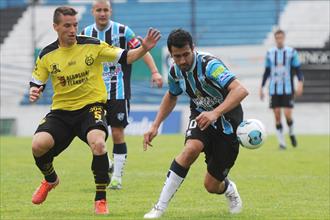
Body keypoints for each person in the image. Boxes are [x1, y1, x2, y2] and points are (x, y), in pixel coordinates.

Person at [29, 6, 160, 215]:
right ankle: (51, 180)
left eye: (75, 25)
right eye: (67, 26)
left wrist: (144, 48)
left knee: (99, 144)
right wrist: (34, 91)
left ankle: (100, 199)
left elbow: (127, 56)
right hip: (61, 112)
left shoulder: (93, 45)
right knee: (38, 145)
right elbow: (37, 82)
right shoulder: (47, 54)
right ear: (55, 27)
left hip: (91, 107)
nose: (73, 30)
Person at [142, 29, 249, 219]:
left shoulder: (210, 65)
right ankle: (159, 207)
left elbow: (240, 90)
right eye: (177, 56)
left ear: (193, 48)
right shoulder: (175, 71)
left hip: (227, 124)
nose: (182, 60)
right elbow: (171, 95)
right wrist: (155, 125)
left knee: (211, 186)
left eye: (186, 54)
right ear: (171, 55)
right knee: (190, 149)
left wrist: (215, 113)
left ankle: (229, 188)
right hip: (200, 117)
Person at [81, 0, 163, 190]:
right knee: (91, 134)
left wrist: (154, 72)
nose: (102, 13)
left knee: (117, 133)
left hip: (118, 91)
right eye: (99, 10)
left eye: (106, 10)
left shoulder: (123, 31)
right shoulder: (85, 34)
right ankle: (108, 163)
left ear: (111, 11)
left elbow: (142, 50)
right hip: (94, 93)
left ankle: (117, 178)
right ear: (93, 12)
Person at [259, 29, 304, 150]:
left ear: (284, 38)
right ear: (275, 39)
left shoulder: (291, 52)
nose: (279, 40)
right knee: (277, 116)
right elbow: (267, 72)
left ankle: (291, 132)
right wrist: (261, 87)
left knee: (288, 115)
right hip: (274, 90)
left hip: (288, 89)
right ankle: (282, 143)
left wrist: (300, 83)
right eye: (277, 38)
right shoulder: (270, 53)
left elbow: (298, 70)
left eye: (281, 38)